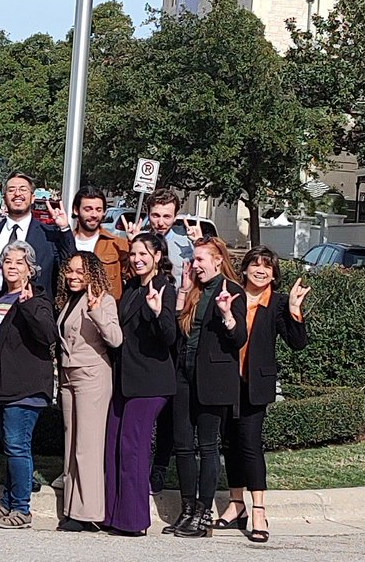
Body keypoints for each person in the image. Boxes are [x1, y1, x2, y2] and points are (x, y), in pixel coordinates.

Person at [0, 171, 75, 483]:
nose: (17, 194)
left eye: (23, 190)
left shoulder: (47, 234)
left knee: (22, 401)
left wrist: (64, 229)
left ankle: (26, 470)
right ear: (3, 195)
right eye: (11, 189)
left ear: (32, 195)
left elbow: (70, 261)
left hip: (27, 325)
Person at [217, 247, 310, 543]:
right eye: (255, 265)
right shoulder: (230, 295)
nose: (261, 270)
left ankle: (258, 509)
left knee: (250, 444)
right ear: (244, 269)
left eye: (267, 267)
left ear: (274, 274)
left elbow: (297, 343)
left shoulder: (278, 304)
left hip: (255, 384)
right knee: (229, 442)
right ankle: (236, 504)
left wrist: (295, 309)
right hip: (225, 380)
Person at [0, 239, 57, 530]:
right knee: (11, 447)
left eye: (19, 262)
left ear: (30, 269)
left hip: (25, 387)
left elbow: (48, 335)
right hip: (0, 386)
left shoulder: (38, 298)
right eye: (8, 261)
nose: (12, 267)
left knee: (18, 447)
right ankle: (7, 504)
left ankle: (22, 509)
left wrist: (29, 304)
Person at [166, 236, 247, 539]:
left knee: (208, 447)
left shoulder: (231, 291)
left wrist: (227, 315)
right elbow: (177, 334)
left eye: (200, 259)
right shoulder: (193, 291)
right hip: (184, 377)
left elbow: (238, 339)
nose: (195, 265)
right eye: (194, 259)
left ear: (217, 259)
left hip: (213, 382)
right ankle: (187, 509)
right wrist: (182, 294)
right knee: (184, 446)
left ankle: (203, 513)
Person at [124, 188, 202, 493]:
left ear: (175, 216)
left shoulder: (187, 246)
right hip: (144, 329)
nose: (160, 222)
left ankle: (159, 467)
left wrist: (197, 246)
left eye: (167, 216)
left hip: (177, 326)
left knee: (169, 407)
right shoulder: (138, 243)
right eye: (155, 215)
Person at [103, 231, 177, 537]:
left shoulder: (164, 288)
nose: (137, 259)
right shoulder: (132, 287)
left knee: (133, 447)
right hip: (124, 379)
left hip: (150, 382)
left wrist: (159, 313)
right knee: (112, 444)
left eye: (143, 253)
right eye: (133, 254)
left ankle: (133, 520)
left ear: (158, 256)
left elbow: (169, 336)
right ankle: (110, 514)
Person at [55, 252, 121, 531]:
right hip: (70, 376)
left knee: (88, 447)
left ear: (92, 273)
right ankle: (72, 508)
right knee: (71, 445)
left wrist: (95, 311)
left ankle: (89, 513)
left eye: (79, 272)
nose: (72, 276)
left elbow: (116, 339)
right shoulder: (69, 300)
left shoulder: (104, 300)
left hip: (92, 376)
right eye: (69, 271)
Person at [71, 185, 130, 300]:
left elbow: (135, 276)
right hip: (71, 312)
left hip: (105, 313)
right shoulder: (65, 243)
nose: (94, 215)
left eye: (98, 210)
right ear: (76, 210)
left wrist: (135, 243)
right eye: (88, 209)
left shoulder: (117, 245)